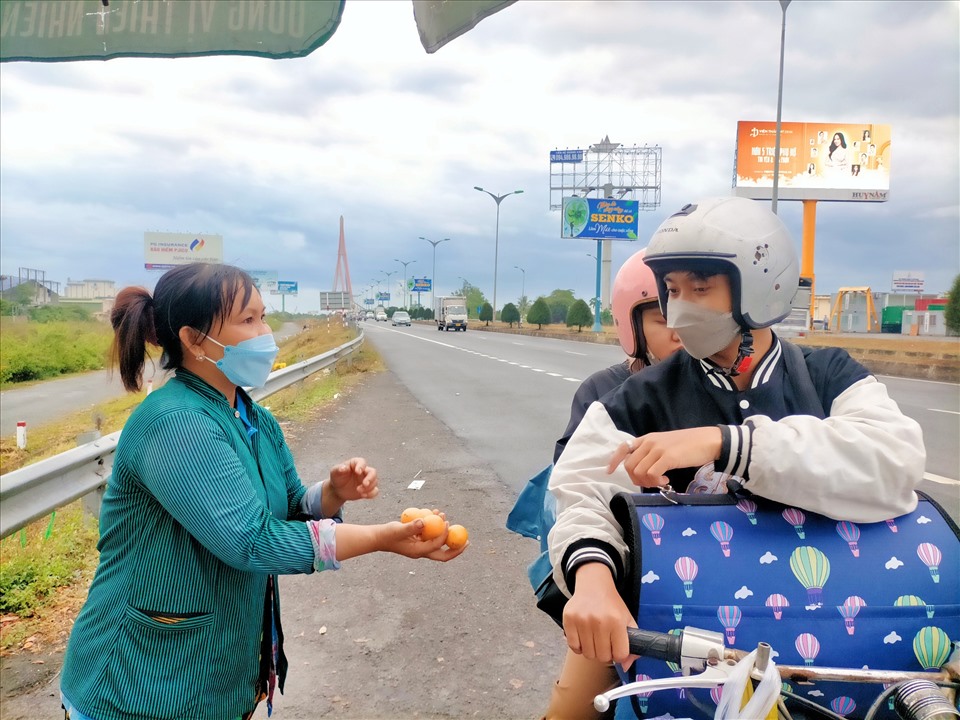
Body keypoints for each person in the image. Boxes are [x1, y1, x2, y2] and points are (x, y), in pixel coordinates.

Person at [60, 263, 465, 720]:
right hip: (138, 685)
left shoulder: (253, 418)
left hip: (212, 680)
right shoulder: (175, 423)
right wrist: (381, 539)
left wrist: (332, 493)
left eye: (263, 316)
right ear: (194, 340)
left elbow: (291, 506)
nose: (264, 333)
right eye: (247, 320)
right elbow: (252, 542)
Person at [547, 197, 924, 679]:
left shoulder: (829, 377)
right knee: (576, 703)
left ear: (762, 287)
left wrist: (727, 445)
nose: (681, 308)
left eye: (700, 288)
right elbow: (581, 491)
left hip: (837, 629)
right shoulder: (637, 398)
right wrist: (592, 578)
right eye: (672, 289)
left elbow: (894, 460)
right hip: (678, 638)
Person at [541, 249, 682, 720]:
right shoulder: (606, 395)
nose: (682, 329)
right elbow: (579, 492)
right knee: (574, 709)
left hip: (725, 583)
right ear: (632, 325)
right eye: (664, 316)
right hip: (629, 582)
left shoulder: (738, 388)